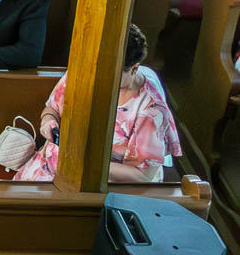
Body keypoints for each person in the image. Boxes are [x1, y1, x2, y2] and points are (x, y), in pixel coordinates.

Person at [13, 24, 181, 183]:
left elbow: (142, 175)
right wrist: (48, 121)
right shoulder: (84, 72)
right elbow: (51, 109)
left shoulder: (151, 110)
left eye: (108, 76)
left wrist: (82, 163)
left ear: (134, 69)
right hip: (51, 166)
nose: (97, 81)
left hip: (105, 183)